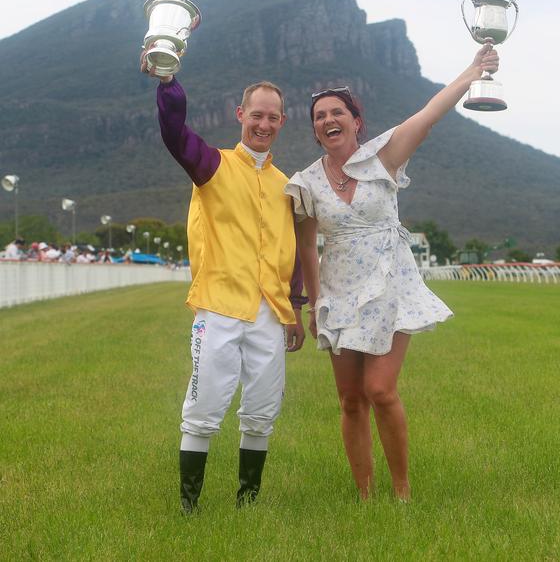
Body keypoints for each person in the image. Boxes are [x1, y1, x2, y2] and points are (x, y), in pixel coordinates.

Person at [285, 44, 499, 501]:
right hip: (339, 292)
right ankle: (365, 493)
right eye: (319, 116)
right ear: (315, 129)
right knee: (350, 400)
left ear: (355, 121)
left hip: (390, 284)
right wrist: (311, 303)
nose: (328, 120)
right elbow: (306, 245)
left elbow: (429, 114)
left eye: (337, 112)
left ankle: (401, 490)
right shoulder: (305, 183)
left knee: (379, 389)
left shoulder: (383, 155)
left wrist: (472, 70)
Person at [143, 61, 306, 514]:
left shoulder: (285, 185)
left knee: (262, 408)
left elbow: (288, 249)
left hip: (269, 314)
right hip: (218, 306)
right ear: (240, 114)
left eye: (273, 117)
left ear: (282, 122)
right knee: (204, 404)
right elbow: (175, 132)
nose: (264, 124)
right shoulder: (212, 165)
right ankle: (189, 506)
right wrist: (168, 83)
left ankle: (247, 502)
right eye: (257, 115)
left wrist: (294, 306)